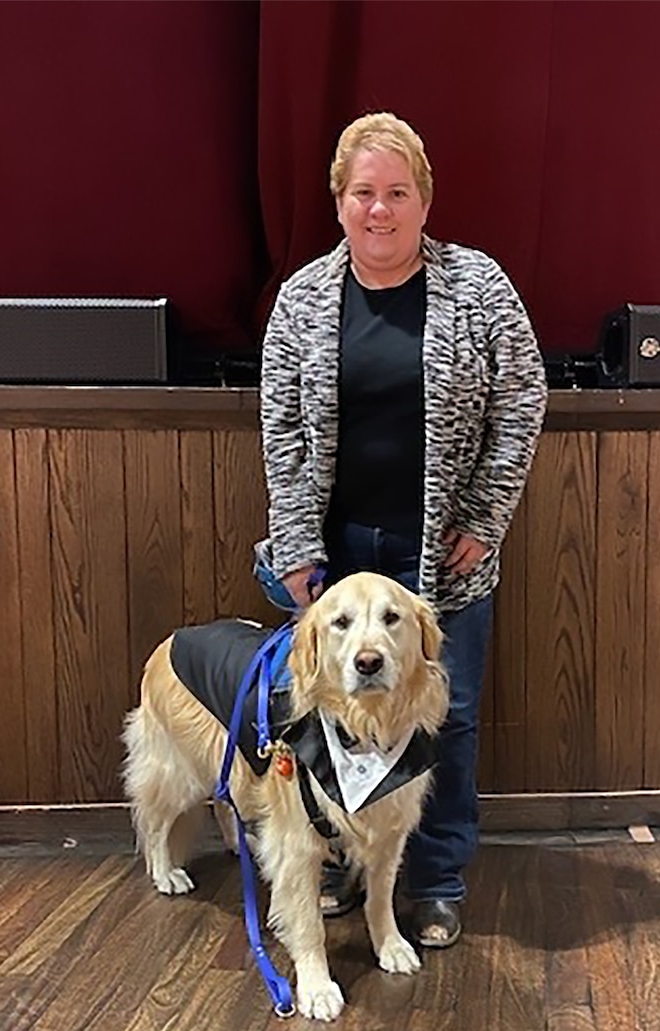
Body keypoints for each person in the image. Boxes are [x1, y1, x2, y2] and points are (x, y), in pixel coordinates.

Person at [258, 111, 547, 948]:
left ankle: (437, 880)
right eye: (361, 194)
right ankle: (347, 869)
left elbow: (521, 400)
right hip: (339, 560)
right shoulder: (304, 298)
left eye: (395, 193)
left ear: (423, 199)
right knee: (331, 715)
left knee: (440, 719)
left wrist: (486, 521)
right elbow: (280, 429)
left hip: (443, 557)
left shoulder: (477, 286)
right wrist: (296, 543)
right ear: (338, 203)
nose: (378, 210)